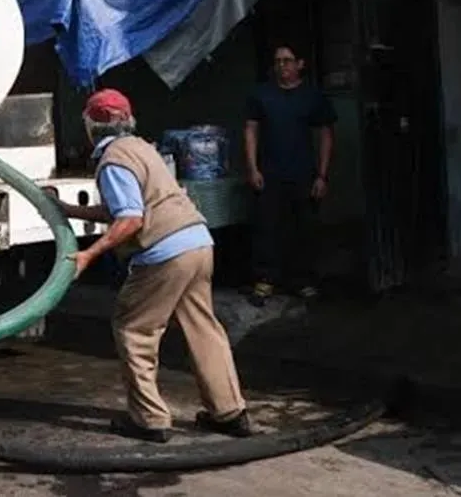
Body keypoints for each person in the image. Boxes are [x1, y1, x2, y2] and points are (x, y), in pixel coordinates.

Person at [61, 88, 252, 443]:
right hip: (197, 241)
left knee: (134, 328)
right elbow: (126, 209)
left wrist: (89, 254)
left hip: (164, 253)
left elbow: (131, 219)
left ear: (93, 125)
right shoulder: (142, 149)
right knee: (203, 326)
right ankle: (229, 412)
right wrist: (71, 212)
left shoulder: (113, 160)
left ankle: (149, 419)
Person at [244, 45, 337, 304]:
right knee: (267, 227)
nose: (282, 66)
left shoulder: (311, 96)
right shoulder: (262, 95)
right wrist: (252, 168)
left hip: (303, 173)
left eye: (287, 61)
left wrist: (322, 175)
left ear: (300, 64)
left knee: (304, 228)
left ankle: (303, 280)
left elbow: (326, 135)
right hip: (269, 172)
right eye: (278, 61)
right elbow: (251, 130)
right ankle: (265, 280)